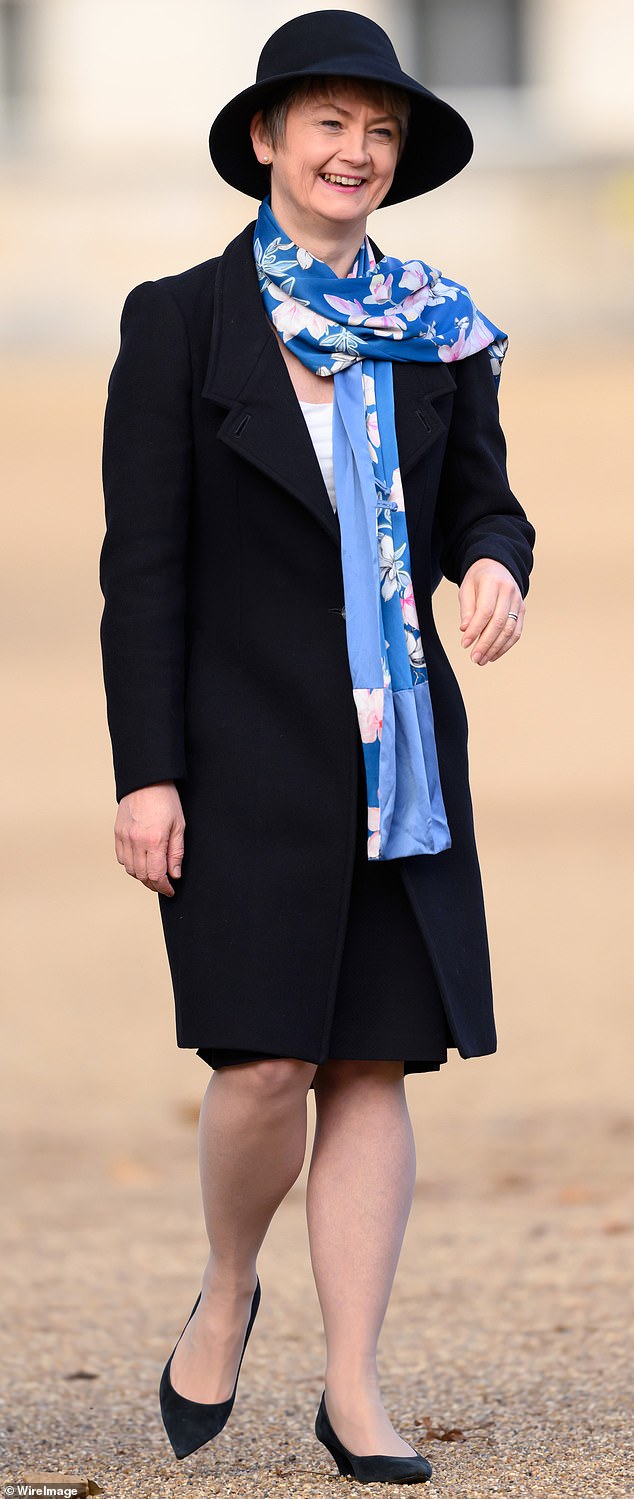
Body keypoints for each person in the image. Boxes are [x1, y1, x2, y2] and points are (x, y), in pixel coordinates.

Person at [99, 8, 535, 1486]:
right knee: (267, 1063)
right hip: (238, 756)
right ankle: (230, 1284)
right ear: (268, 143)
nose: (356, 151)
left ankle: (353, 1389)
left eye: (382, 129)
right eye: (329, 122)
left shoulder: (441, 329)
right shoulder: (178, 319)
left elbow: (485, 502)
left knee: (369, 1064)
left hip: (401, 756)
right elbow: (142, 570)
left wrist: (491, 564)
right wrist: (144, 770)